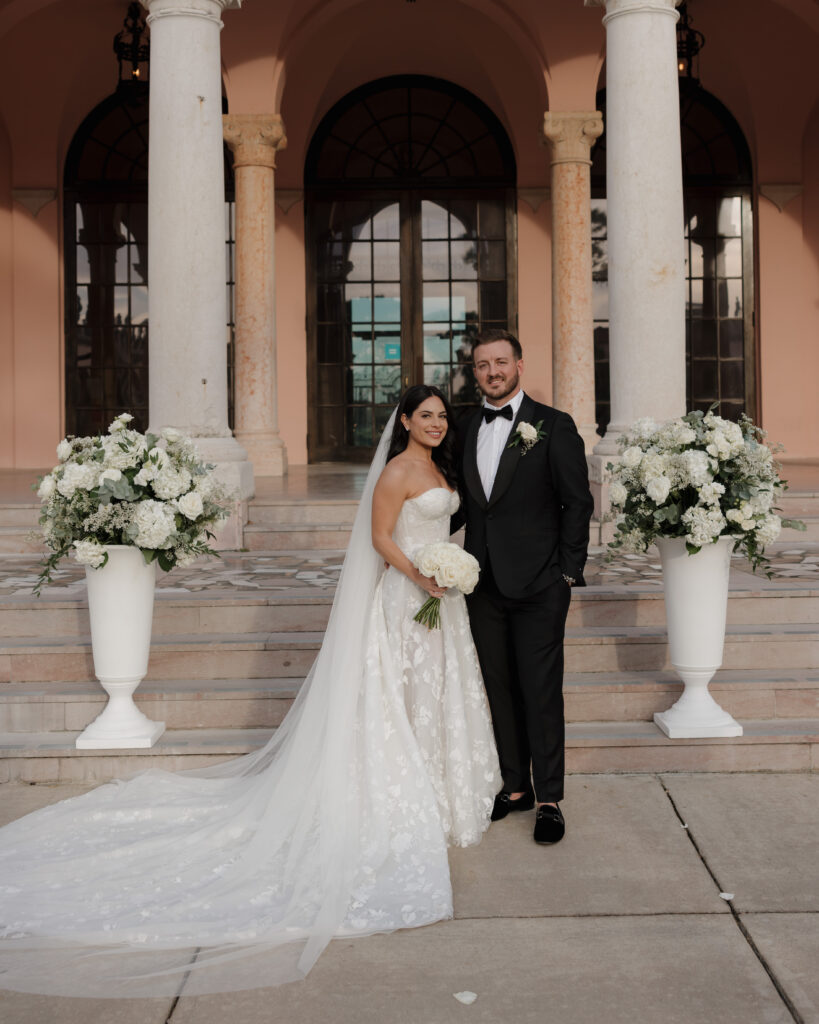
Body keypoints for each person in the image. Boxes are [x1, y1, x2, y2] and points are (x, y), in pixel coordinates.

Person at [0, 385, 499, 998]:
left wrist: (452, 570)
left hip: (441, 605)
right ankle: (402, 790)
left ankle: (441, 787)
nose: (436, 424)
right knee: (400, 694)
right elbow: (380, 539)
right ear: (404, 421)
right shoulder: (397, 470)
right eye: (425, 416)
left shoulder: (441, 467)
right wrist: (423, 574)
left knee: (435, 692)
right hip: (406, 598)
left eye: (442, 416)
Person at [454, 329, 594, 845]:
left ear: (519, 365)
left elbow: (577, 502)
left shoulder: (553, 426)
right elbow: (463, 503)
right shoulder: (466, 426)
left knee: (539, 690)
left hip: (540, 584)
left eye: (501, 362)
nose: (492, 372)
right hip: (481, 583)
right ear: (475, 373)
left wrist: (566, 571)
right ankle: (515, 787)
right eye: (482, 365)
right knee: (499, 686)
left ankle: (550, 797)